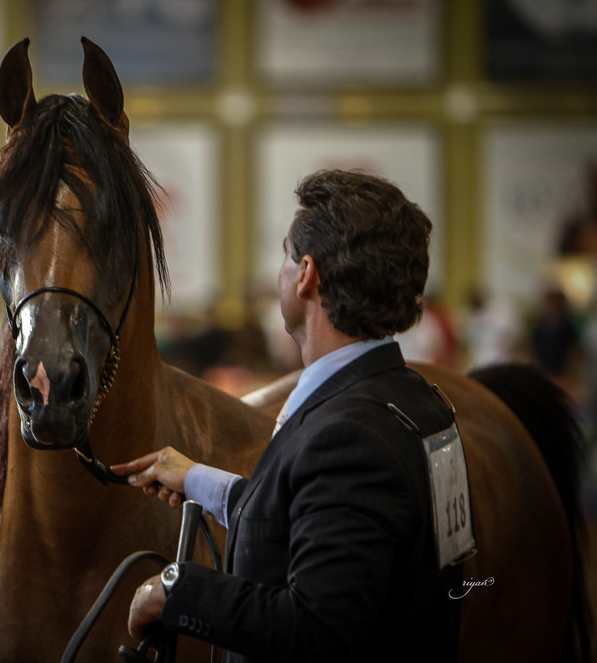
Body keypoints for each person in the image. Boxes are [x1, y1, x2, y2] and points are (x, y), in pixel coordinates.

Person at [112, 169, 464, 662]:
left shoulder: (348, 438)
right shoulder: (416, 400)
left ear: (306, 275)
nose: (279, 271)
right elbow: (308, 523)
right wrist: (200, 481)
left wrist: (176, 590)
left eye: (284, 255)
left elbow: (315, 630)